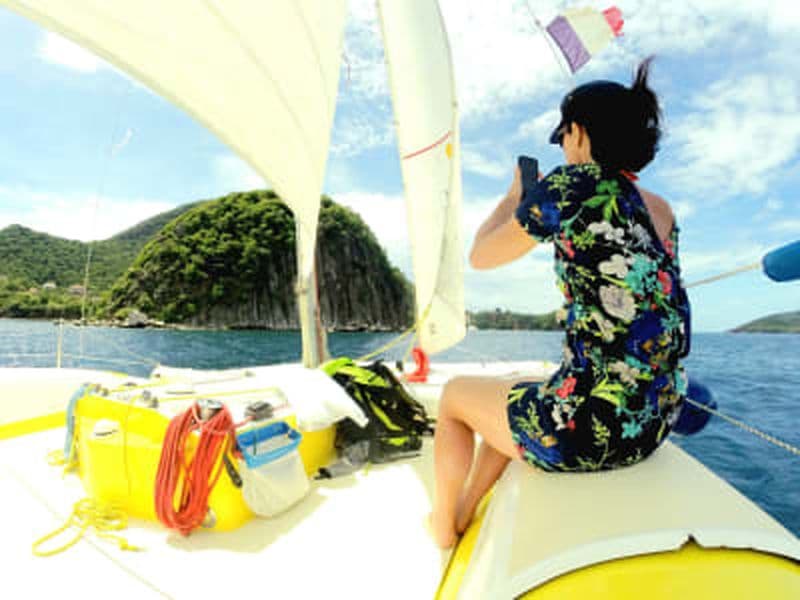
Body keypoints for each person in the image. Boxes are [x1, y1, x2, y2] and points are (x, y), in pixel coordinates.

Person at [429, 57, 691, 549]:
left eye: (564, 135)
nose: (564, 147)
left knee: (453, 400)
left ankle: (442, 523)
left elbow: (482, 255)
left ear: (579, 133)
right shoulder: (661, 209)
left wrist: (514, 198)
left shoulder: (573, 184)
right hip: (654, 422)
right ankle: (466, 509)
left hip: (588, 432)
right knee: (519, 389)